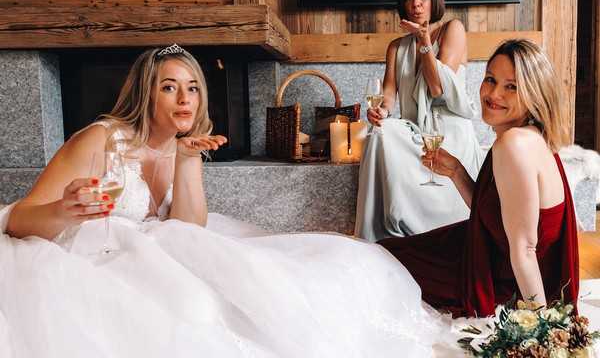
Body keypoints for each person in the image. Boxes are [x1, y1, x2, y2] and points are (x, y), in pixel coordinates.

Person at [0, 44, 446, 357]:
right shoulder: (99, 139)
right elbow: (18, 221)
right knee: (194, 310)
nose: (185, 98)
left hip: (157, 251)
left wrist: (186, 162)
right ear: (145, 94)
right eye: (169, 87)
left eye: (192, 87)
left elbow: (188, 230)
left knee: (309, 271)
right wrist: (63, 209)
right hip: (88, 257)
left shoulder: (184, 142)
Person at [378, 39, 579, 317]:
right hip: (480, 250)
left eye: (511, 86)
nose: (493, 93)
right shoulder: (532, 136)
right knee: (383, 254)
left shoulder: (514, 144)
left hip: (492, 276)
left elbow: (524, 249)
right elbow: (500, 218)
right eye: (490, 79)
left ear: (534, 93)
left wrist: (540, 327)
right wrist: (457, 172)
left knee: (378, 265)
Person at [355, 0, 484, 241]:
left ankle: (436, 231)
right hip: (417, 129)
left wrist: (425, 41)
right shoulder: (396, 48)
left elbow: (438, 88)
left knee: (394, 135)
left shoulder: (453, 30)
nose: (416, 3)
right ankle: (375, 234)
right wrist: (382, 111)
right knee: (379, 133)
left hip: (449, 130)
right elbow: (389, 94)